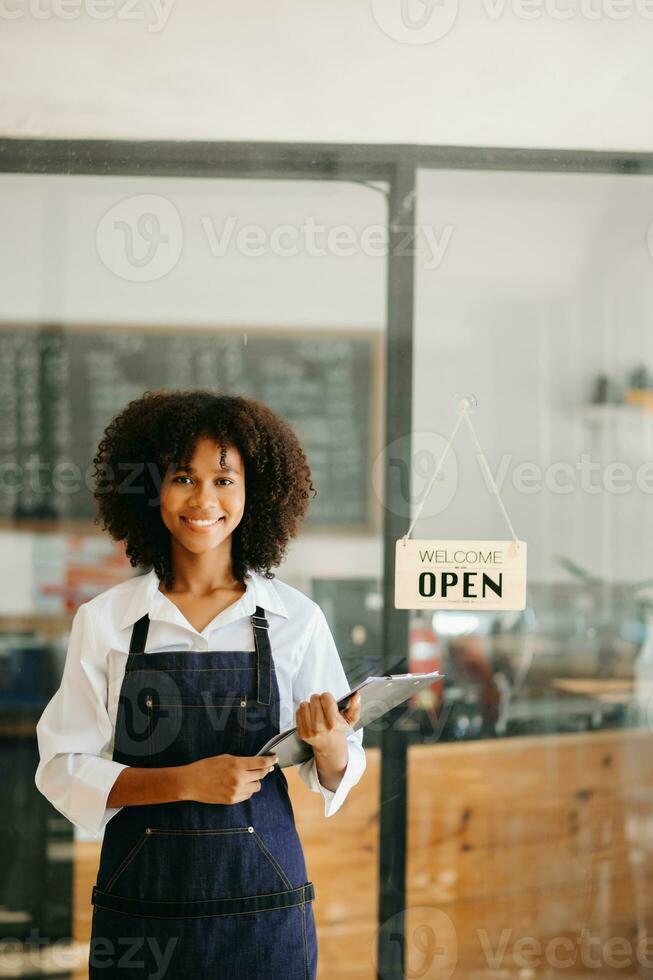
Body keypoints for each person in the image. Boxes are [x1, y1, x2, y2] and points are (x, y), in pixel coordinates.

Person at [34, 389, 365, 979]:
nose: (204, 499)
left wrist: (331, 743)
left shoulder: (296, 620)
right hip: (141, 915)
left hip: (264, 914)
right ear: (149, 490)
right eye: (184, 477)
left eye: (224, 479)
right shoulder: (107, 621)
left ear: (254, 492)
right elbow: (61, 768)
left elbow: (340, 771)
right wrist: (186, 781)